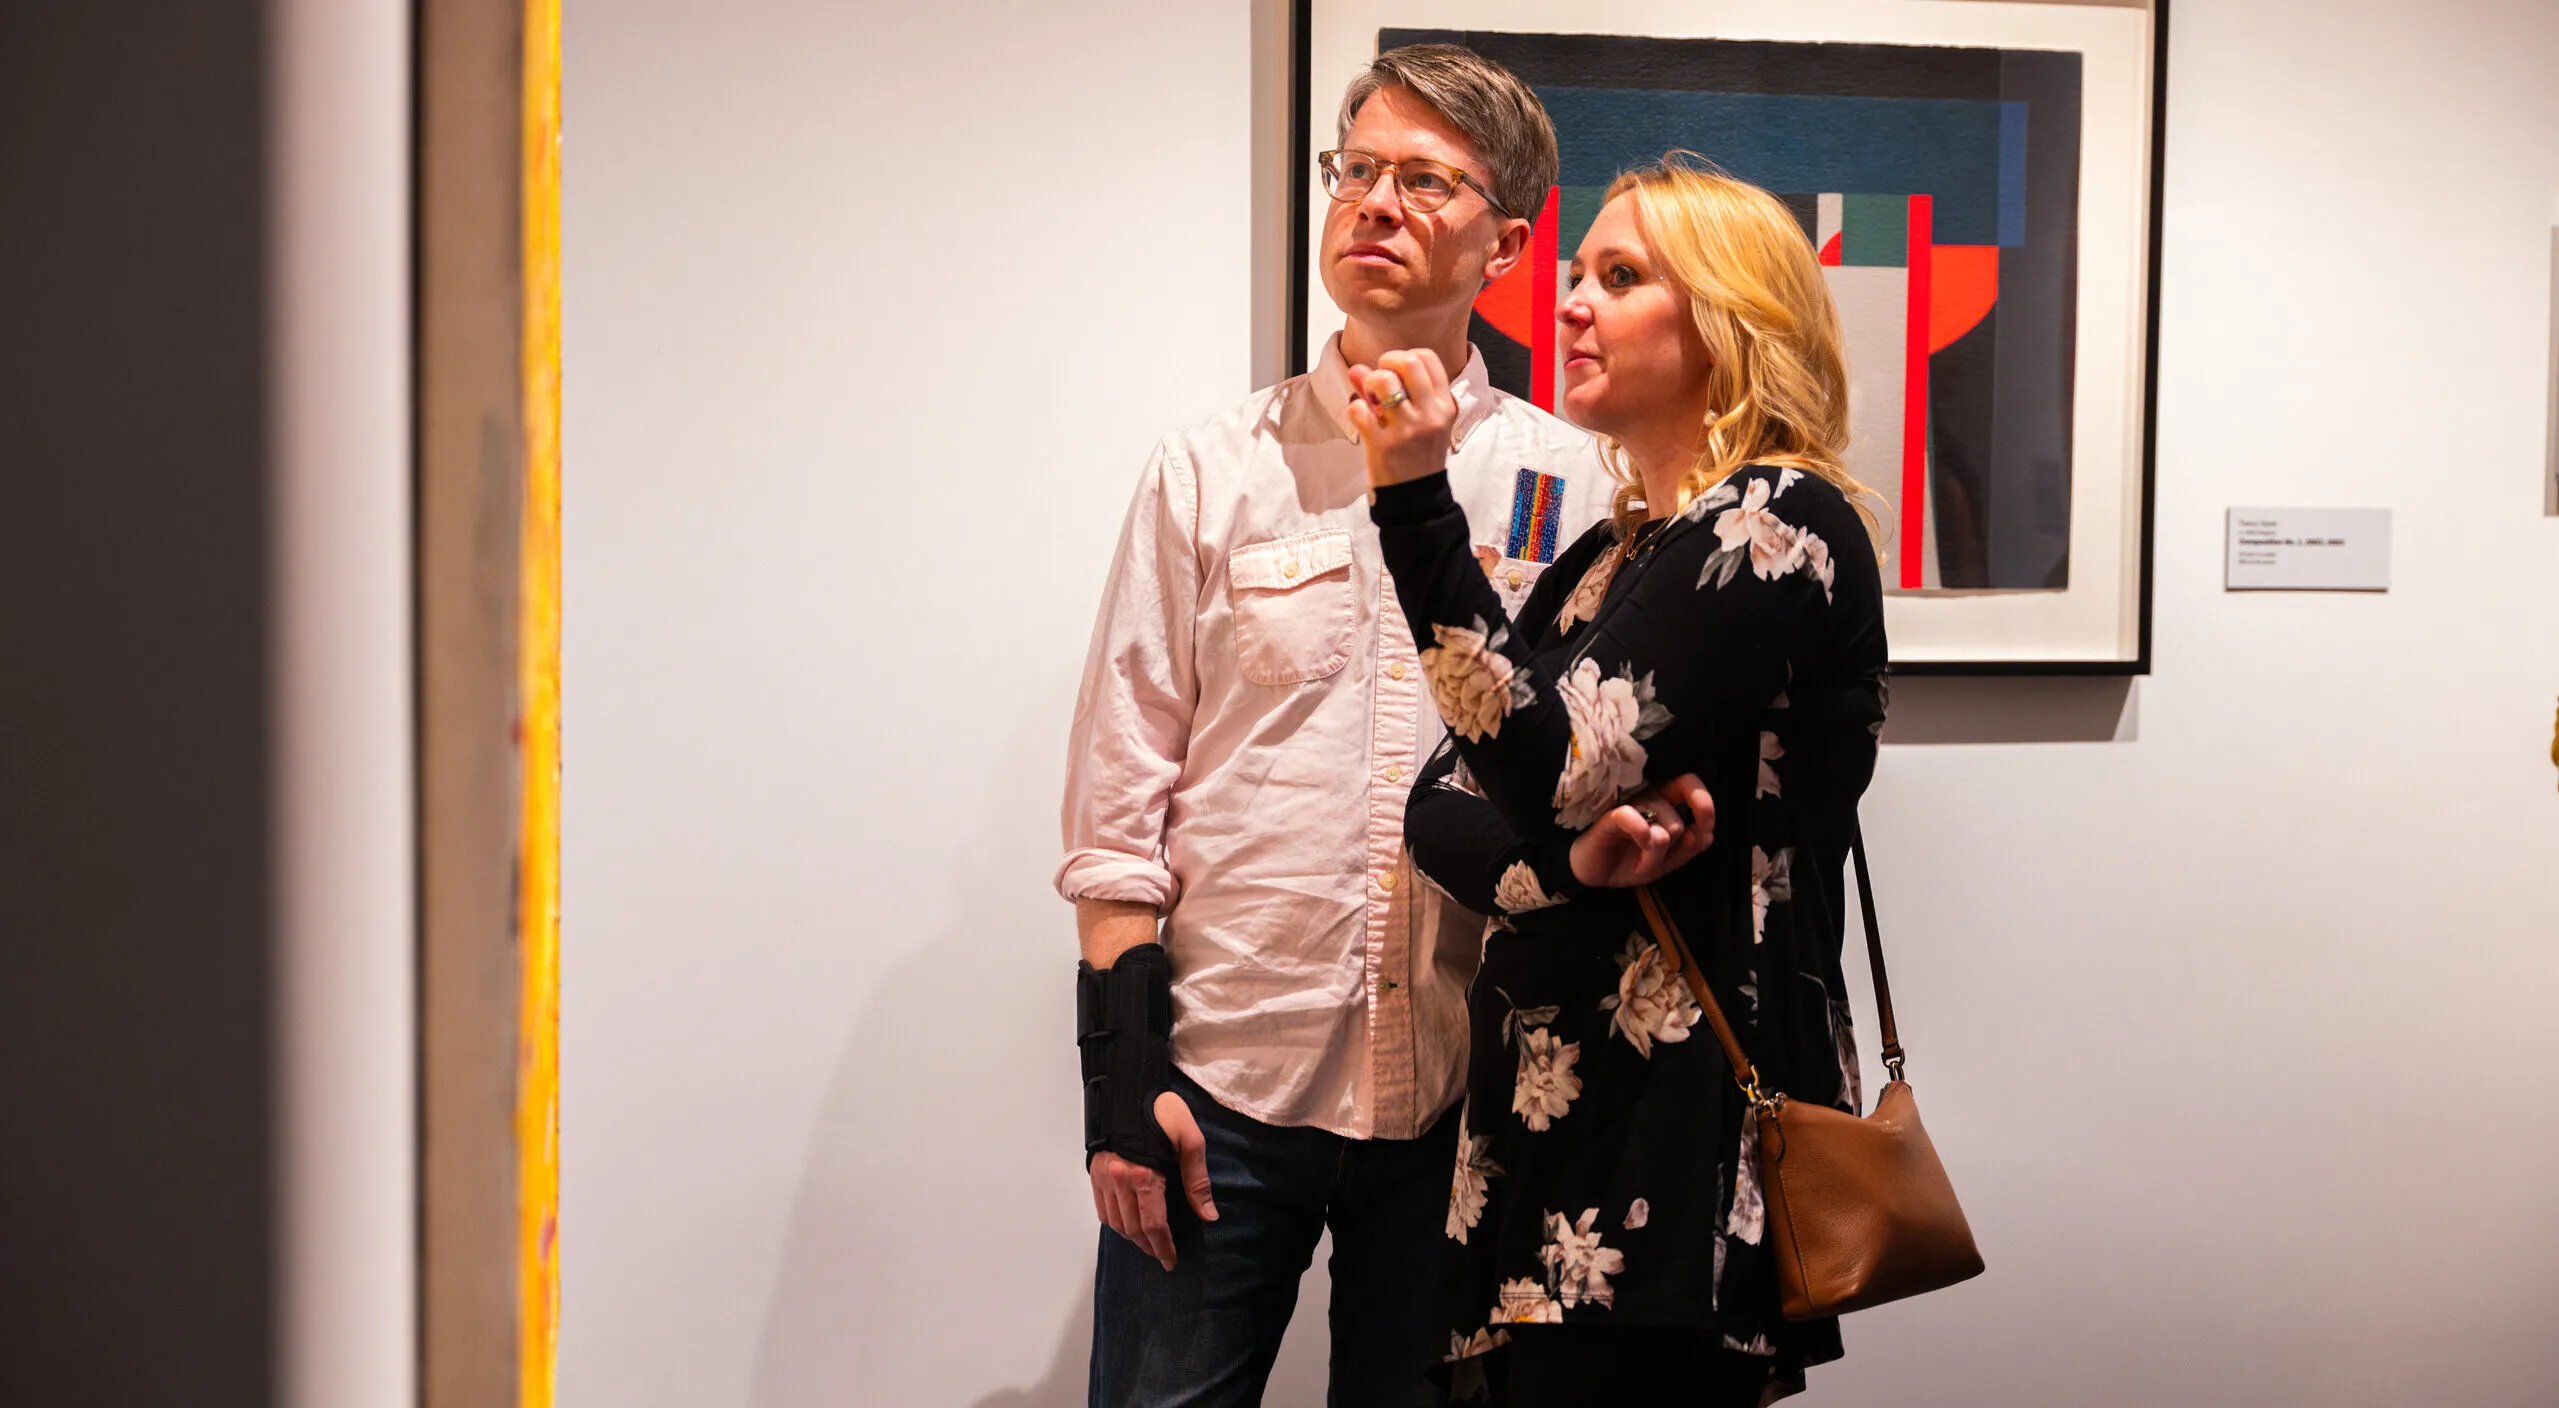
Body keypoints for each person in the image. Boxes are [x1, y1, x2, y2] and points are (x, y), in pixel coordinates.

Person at [1058, 45, 1613, 1407]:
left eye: (1423, 179)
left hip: (1464, 1108)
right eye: (1354, 168)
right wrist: (1122, 1086)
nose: (1372, 201)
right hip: (1219, 1093)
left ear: (1506, 244)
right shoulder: (1209, 468)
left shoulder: (1571, 479)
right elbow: (1115, 805)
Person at [1346, 155, 1892, 1404]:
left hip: (1669, 1167)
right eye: (1576, 273)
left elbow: (1557, 763)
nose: (1571, 303)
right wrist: (1572, 861)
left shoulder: (1780, 523)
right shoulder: (1609, 555)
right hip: (1541, 1159)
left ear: (1728, 324)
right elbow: (1441, 805)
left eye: (1622, 276)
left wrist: (1415, 505)